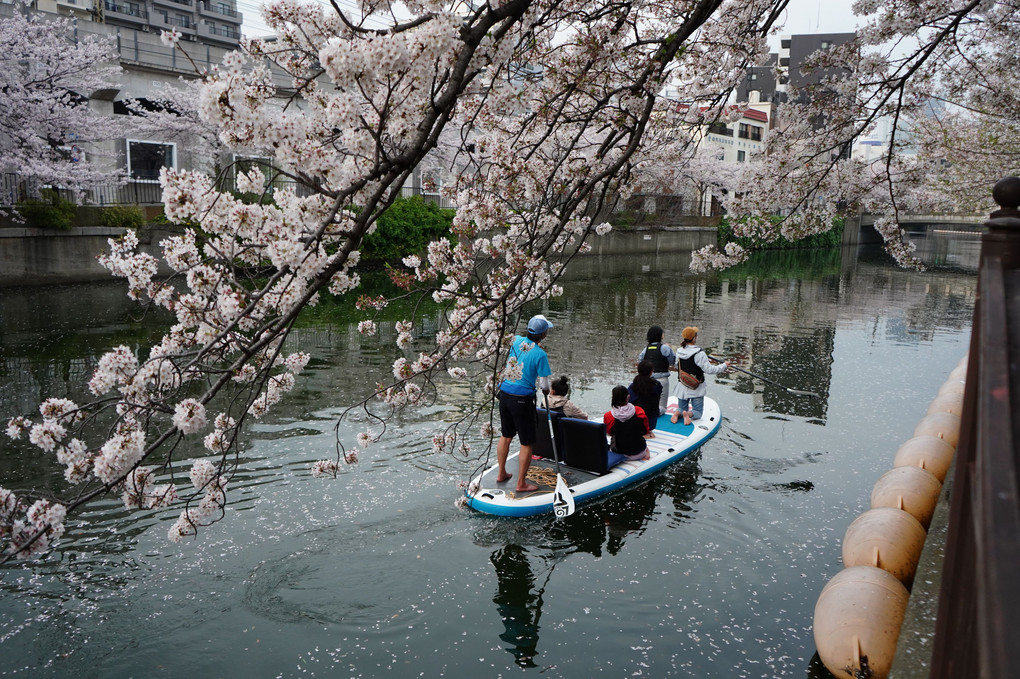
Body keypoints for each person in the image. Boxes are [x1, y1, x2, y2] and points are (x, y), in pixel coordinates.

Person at [497, 314, 554, 493]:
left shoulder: (516, 341)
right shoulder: (541, 354)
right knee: (526, 442)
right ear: (543, 334)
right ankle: (521, 483)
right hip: (522, 400)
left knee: (506, 435)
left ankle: (501, 473)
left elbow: (524, 352)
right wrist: (545, 390)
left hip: (504, 394)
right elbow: (544, 385)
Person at [672, 326, 729, 426]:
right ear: (694, 338)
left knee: (681, 407)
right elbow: (710, 370)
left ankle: (678, 412)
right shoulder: (700, 353)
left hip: (682, 384)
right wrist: (724, 365)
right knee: (698, 412)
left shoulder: (679, 351)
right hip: (695, 387)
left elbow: (677, 366)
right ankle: (688, 415)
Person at [604, 385, 652, 461]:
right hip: (639, 452)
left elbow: (610, 433)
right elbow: (645, 431)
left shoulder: (608, 416)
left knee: (614, 438)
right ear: (628, 397)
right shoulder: (639, 411)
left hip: (619, 452)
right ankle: (646, 452)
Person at [637, 325, 676, 416]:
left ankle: (647, 412)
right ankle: (655, 413)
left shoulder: (646, 349)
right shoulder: (665, 348)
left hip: (648, 380)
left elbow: (640, 361)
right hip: (662, 379)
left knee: (648, 400)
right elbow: (672, 361)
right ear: (660, 335)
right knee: (662, 406)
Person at [628, 360, 662, 427]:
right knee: (662, 409)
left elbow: (629, 400)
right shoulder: (657, 385)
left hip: (634, 420)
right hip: (650, 423)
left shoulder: (633, 386)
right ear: (651, 372)